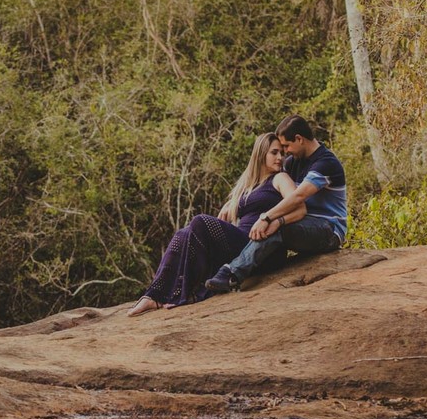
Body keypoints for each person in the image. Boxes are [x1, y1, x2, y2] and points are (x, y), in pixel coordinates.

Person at [127, 132, 307, 316]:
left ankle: (187, 291)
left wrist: (275, 221)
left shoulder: (280, 178)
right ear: (260, 154)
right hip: (241, 242)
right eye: (274, 152)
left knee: (200, 221)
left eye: (281, 153)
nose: (280, 157)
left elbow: (300, 208)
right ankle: (154, 295)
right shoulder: (248, 185)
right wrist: (232, 205)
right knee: (182, 233)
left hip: (261, 249)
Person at [204, 115, 347, 295]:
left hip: (328, 230)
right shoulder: (293, 162)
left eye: (286, 146)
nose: (284, 152)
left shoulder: (326, 163)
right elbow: (264, 182)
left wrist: (266, 217)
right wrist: (232, 203)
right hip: (301, 224)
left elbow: (298, 196)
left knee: (275, 226)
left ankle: (232, 274)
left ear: (299, 139)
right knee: (274, 225)